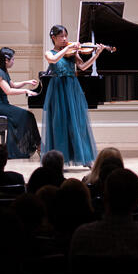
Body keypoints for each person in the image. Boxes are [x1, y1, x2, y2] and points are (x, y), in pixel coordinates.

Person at [43, 23, 104, 166]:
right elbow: (53, 60)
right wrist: (67, 48)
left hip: (72, 88)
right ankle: (59, 160)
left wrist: (97, 54)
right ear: (53, 37)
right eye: (61, 36)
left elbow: (82, 67)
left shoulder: (72, 53)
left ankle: (85, 157)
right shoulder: (49, 53)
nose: (64, 39)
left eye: (66, 36)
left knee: (78, 122)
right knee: (59, 123)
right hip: (58, 89)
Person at [0, 46, 41, 159]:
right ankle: (38, 145)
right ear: (6, 60)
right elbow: (8, 91)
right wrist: (26, 91)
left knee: (22, 118)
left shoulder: (3, 71)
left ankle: (26, 147)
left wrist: (27, 82)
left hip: (2, 104)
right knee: (28, 115)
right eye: (12, 59)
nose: (13, 61)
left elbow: (13, 85)